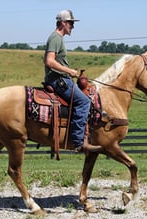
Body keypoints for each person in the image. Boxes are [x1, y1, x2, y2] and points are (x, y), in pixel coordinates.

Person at [43, 9, 102, 153]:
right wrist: (69, 71)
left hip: (60, 79)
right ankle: (77, 141)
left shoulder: (58, 38)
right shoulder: (56, 38)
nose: (72, 26)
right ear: (63, 23)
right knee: (84, 101)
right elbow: (49, 61)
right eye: (70, 23)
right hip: (58, 81)